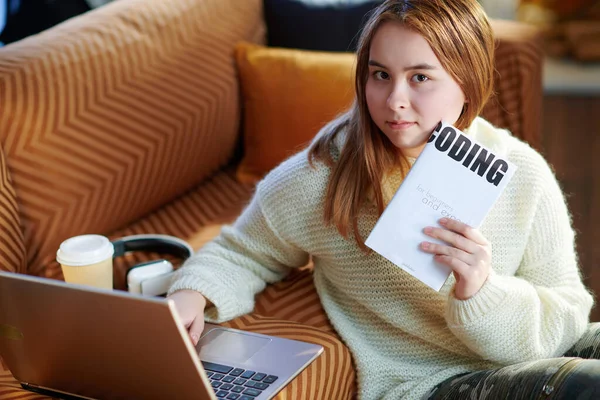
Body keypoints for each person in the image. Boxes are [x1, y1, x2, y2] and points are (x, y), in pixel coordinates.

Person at [167, 0, 600, 398]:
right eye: (380, 75)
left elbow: (567, 309)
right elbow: (244, 251)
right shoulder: (323, 177)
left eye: (420, 78)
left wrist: (483, 291)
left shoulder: (522, 172)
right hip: (429, 380)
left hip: (532, 350)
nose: (395, 100)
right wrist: (192, 293)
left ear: (467, 83)